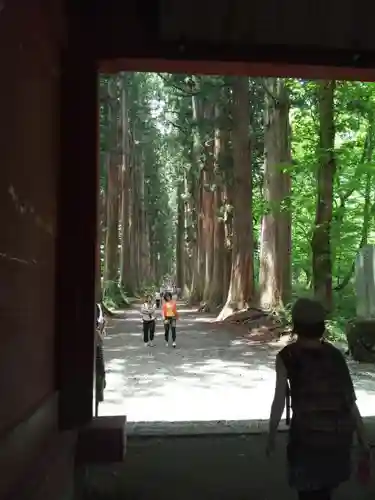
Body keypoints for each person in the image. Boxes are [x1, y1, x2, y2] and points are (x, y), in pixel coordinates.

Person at [266, 297, 368, 500]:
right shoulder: (335, 355)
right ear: (322, 326)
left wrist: (271, 435)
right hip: (338, 437)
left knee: (308, 492)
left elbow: (279, 400)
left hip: (306, 438)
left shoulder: (287, 356)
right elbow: (350, 401)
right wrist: (363, 440)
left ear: (296, 326)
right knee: (325, 491)